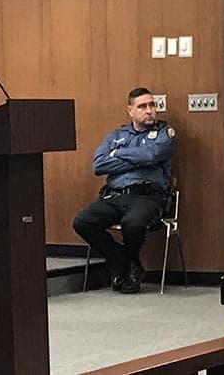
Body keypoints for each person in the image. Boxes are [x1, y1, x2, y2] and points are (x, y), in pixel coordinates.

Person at [72, 87, 176, 294]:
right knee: (82, 222)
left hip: (147, 197)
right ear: (130, 111)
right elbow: (99, 165)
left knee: (133, 223)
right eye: (142, 106)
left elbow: (151, 156)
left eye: (152, 105)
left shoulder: (165, 134)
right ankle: (125, 262)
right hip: (115, 196)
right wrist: (137, 160)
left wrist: (118, 154)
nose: (149, 111)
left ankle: (124, 267)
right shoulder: (116, 135)